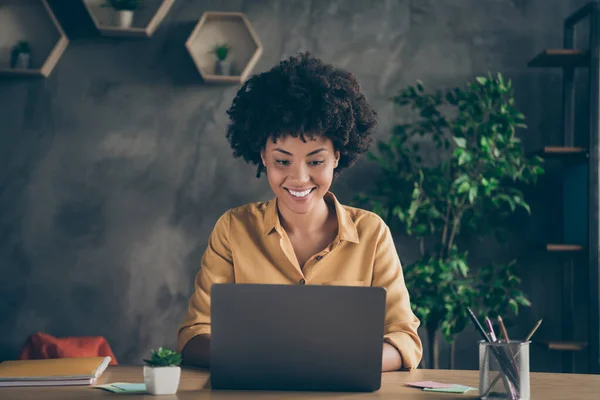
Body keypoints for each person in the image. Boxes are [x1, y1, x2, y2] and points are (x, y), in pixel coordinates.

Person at [176, 52, 422, 372]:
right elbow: (194, 337)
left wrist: (335, 362)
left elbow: (404, 339)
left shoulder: (371, 233)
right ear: (262, 156)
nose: (299, 178)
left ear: (338, 155)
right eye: (282, 161)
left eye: (316, 161)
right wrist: (271, 361)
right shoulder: (232, 229)